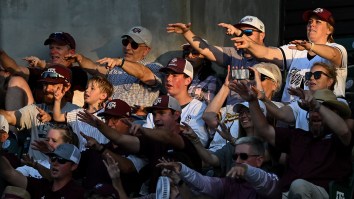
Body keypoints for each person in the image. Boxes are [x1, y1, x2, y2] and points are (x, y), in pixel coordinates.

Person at [234, 83, 352, 198]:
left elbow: (344, 130)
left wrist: (317, 106)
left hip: (323, 193)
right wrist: (252, 101)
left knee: (299, 186)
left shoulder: (339, 139)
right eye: (311, 110)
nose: (314, 114)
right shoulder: (298, 136)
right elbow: (264, 130)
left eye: (320, 110)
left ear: (335, 113)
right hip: (288, 193)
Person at [77, 95, 202, 193]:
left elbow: (169, 137)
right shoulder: (151, 141)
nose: (156, 118)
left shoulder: (185, 137)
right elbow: (120, 139)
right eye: (153, 114)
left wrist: (142, 129)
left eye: (161, 113)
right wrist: (99, 125)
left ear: (176, 115)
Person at [231, 8, 347, 103]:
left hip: (325, 107)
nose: (312, 25)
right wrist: (248, 44)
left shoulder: (337, 48)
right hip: (290, 110)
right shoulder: (296, 49)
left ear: (329, 30)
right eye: (310, 22)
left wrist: (311, 46)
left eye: (318, 22)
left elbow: (333, 55)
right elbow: (267, 53)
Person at [167, 15, 266, 105]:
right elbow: (206, 50)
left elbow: (263, 83)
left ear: (262, 35)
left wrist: (239, 74)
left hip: (256, 110)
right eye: (238, 32)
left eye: (247, 32)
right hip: (231, 114)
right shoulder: (233, 53)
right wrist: (186, 32)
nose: (242, 36)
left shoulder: (270, 56)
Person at [67, 26, 163, 111]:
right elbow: (94, 67)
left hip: (136, 121)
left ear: (146, 50)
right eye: (125, 42)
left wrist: (120, 62)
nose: (127, 47)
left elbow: (143, 74)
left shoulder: (154, 67)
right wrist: (80, 59)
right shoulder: (116, 66)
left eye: (134, 45)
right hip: (110, 118)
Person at [0, 64, 79, 161]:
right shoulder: (36, 109)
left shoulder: (75, 112)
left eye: (53, 85)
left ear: (66, 87)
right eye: (45, 84)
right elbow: (9, 116)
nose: (47, 89)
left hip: (60, 168)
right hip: (30, 169)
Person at [156, 136, 279, 199]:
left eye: (243, 156)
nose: (237, 161)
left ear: (259, 160)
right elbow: (204, 183)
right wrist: (181, 168)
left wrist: (247, 170)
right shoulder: (229, 183)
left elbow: (263, 181)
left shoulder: (271, 181)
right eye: (235, 156)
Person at [203, 63, 282, 152]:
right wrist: (226, 86)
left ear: (275, 85)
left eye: (261, 77)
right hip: (213, 153)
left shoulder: (278, 108)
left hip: (240, 155)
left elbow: (261, 110)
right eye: (252, 77)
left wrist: (257, 93)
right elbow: (208, 117)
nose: (254, 81)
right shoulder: (235, 107)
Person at [75, 99, 146, 194]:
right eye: (107, 119)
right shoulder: (95, 149)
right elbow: (70, 165)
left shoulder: (140, 148)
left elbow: (127, 167)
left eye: (115, 119)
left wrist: (100, 149)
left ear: (130, 121)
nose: (109, 124)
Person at [0, 32, 88, 106]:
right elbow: (15, 69)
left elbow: (61, 73)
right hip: (37, 118)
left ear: (71, 52)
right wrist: (1, 53)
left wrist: (44, 65)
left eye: (58, 48)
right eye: (51, 48)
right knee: (16, 80)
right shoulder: (42, 70)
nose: (53, 52)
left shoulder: (78, 72)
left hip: (61, 119)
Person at [145, 57, 209, 147]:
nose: (168, 79)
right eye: (167, 75)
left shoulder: (199, 107)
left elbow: (201, 141)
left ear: (188, 80)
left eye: (174, 75)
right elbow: (145, 134)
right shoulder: (158, 104)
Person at [262, 62, 339, 130]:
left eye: (317, 75)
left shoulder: (339, 103)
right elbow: (280, 113)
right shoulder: (300, 103)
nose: (311, 78)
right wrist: (262, 98)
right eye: (309, 75)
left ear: (330, 81)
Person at [0, 143, 85, 198]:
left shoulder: (77, 193)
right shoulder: (42, 185)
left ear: (73, 166)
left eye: (61, 160)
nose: (55, 163)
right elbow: (8, 173)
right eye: (53, 158)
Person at [52, 75, 113, 150]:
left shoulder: (107, 115)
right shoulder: (77, 113)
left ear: (103, 96)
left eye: (92, 88)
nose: (87, 90)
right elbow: (57, 117)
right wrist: (57, 100)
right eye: (87, 87)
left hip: (99, 157)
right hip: (80, 158)